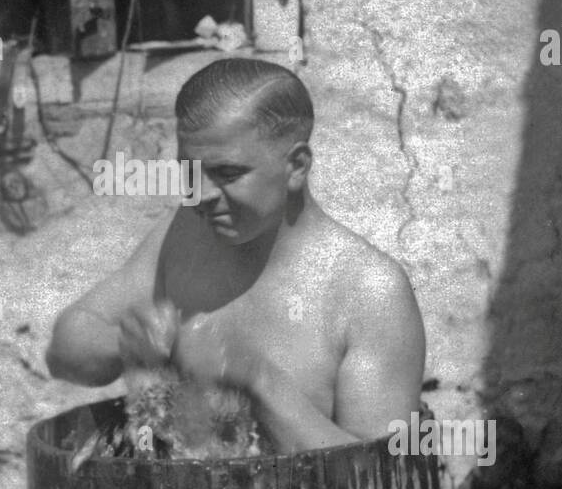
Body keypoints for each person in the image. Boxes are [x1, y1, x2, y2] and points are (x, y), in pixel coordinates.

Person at [45, 57, 425, 453]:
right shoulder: (184, 236)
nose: (202, 196)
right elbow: (65, 348)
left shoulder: (371, 292)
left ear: (296, 166)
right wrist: (131, 345)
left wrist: (256, 379)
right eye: (189, 173)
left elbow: (376, 482)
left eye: (227, 174)